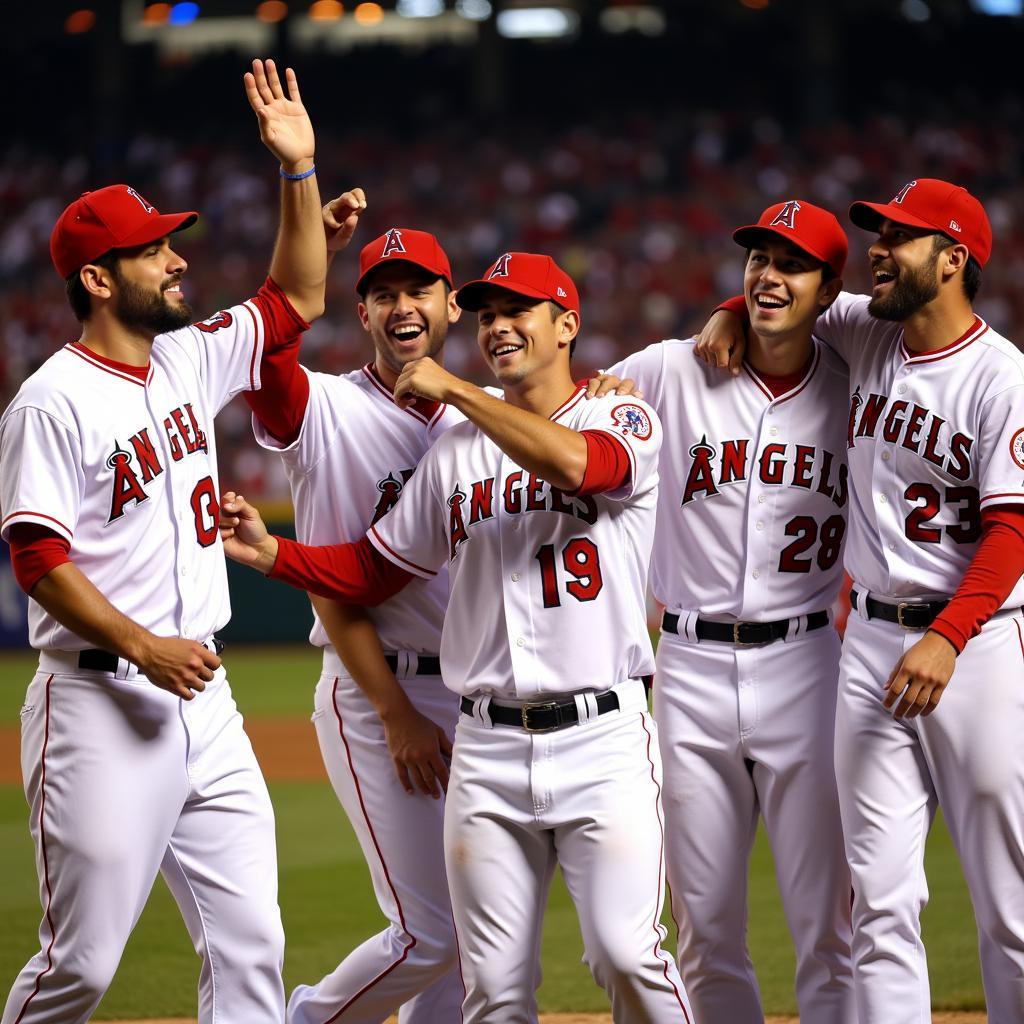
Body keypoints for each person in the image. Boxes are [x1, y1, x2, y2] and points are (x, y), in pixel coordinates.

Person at [220, 252, 695, 1024]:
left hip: (601, 736)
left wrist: (460, 392)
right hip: (486, 746)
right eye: (488, 315)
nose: (500, 327)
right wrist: (276, 554)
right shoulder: (453, 454)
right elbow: (373, 568)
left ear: (567, 325)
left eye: (521, 311)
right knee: (494, 989)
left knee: (625, 953)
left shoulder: (620, 415)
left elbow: (587, 467)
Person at [0, 59, 327, 1024]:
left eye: (171, 243)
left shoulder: (186, 354)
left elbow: (296, 299)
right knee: (82, 969)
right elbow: (37, 559)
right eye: (153, 251)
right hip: (102, 701)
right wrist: (144, 645)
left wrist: (297, 173)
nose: (178, 258)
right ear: (97, 278)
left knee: (253, 944)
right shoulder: (50, 401)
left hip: (207, 698)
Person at [697, 178, 1024, 1024]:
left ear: (953, 260)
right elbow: (781, 306)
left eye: (900, 237)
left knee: (1010, 910)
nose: (878, 249)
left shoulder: (1001, 378)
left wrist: (949, 637)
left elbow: (1013, 533)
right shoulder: (863, 328)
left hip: (976, 647)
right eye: (878, 233)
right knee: (878, 905)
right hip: (872, 644)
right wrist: (734, 314)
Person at [600, 200, 856, 1023]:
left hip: (809, 664)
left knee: (831, 926)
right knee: (705, 930)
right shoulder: (671, 369)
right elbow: (575, 414)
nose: (768, 277)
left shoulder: (862, 378)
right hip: (688, 667)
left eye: (791, 265)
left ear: (829, 290)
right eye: (757, 261)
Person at [243, 220, 468, 1024]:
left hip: (478, 698)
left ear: (452, 304)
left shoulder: (488, 413)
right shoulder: (329, 409)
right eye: (382, 293)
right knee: (430, 934)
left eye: (418, 290)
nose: (402, 306)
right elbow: (268, 366)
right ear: (362, 312)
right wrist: (394, 711)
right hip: (386, 696)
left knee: (473, 939)